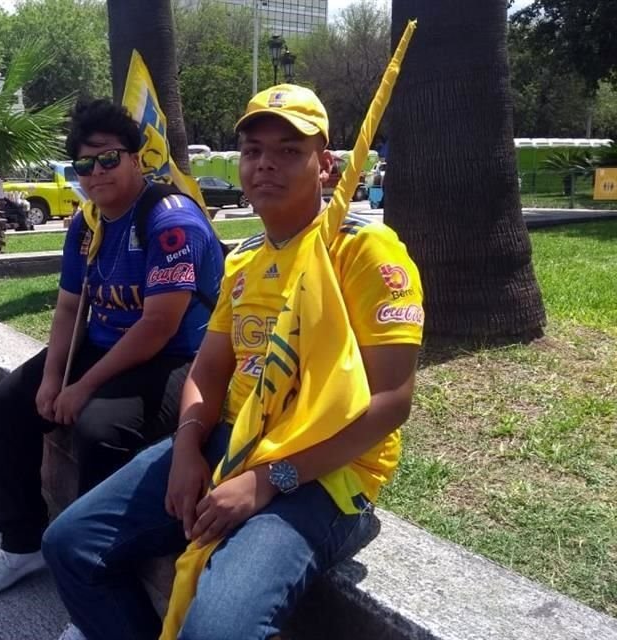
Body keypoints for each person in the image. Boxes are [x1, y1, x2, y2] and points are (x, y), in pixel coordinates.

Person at [41, 84, 424, 640]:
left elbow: (391, 403)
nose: (265, 164)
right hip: (231, 441)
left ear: (327, 165)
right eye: (253, 151)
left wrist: (270, 479)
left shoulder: (363, 249)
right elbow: (209, 369)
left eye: (289, 151)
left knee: (215, 630)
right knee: (70, 545)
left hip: (324, 472)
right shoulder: (242, 258)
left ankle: (348, 529)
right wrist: (188, 447)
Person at [0, 99, 225, 596]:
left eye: (108, 159)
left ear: (135, 158)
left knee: (100, 429)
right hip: (107, 345)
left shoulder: (171, 223)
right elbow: (69, 309)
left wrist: (83, 387)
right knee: (6, 406)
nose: (96, 173)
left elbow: (158, 325)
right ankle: (23, 544)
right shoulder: (87, 225)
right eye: (83, 165)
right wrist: (50, 379)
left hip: (176, 357)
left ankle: (95, 584)